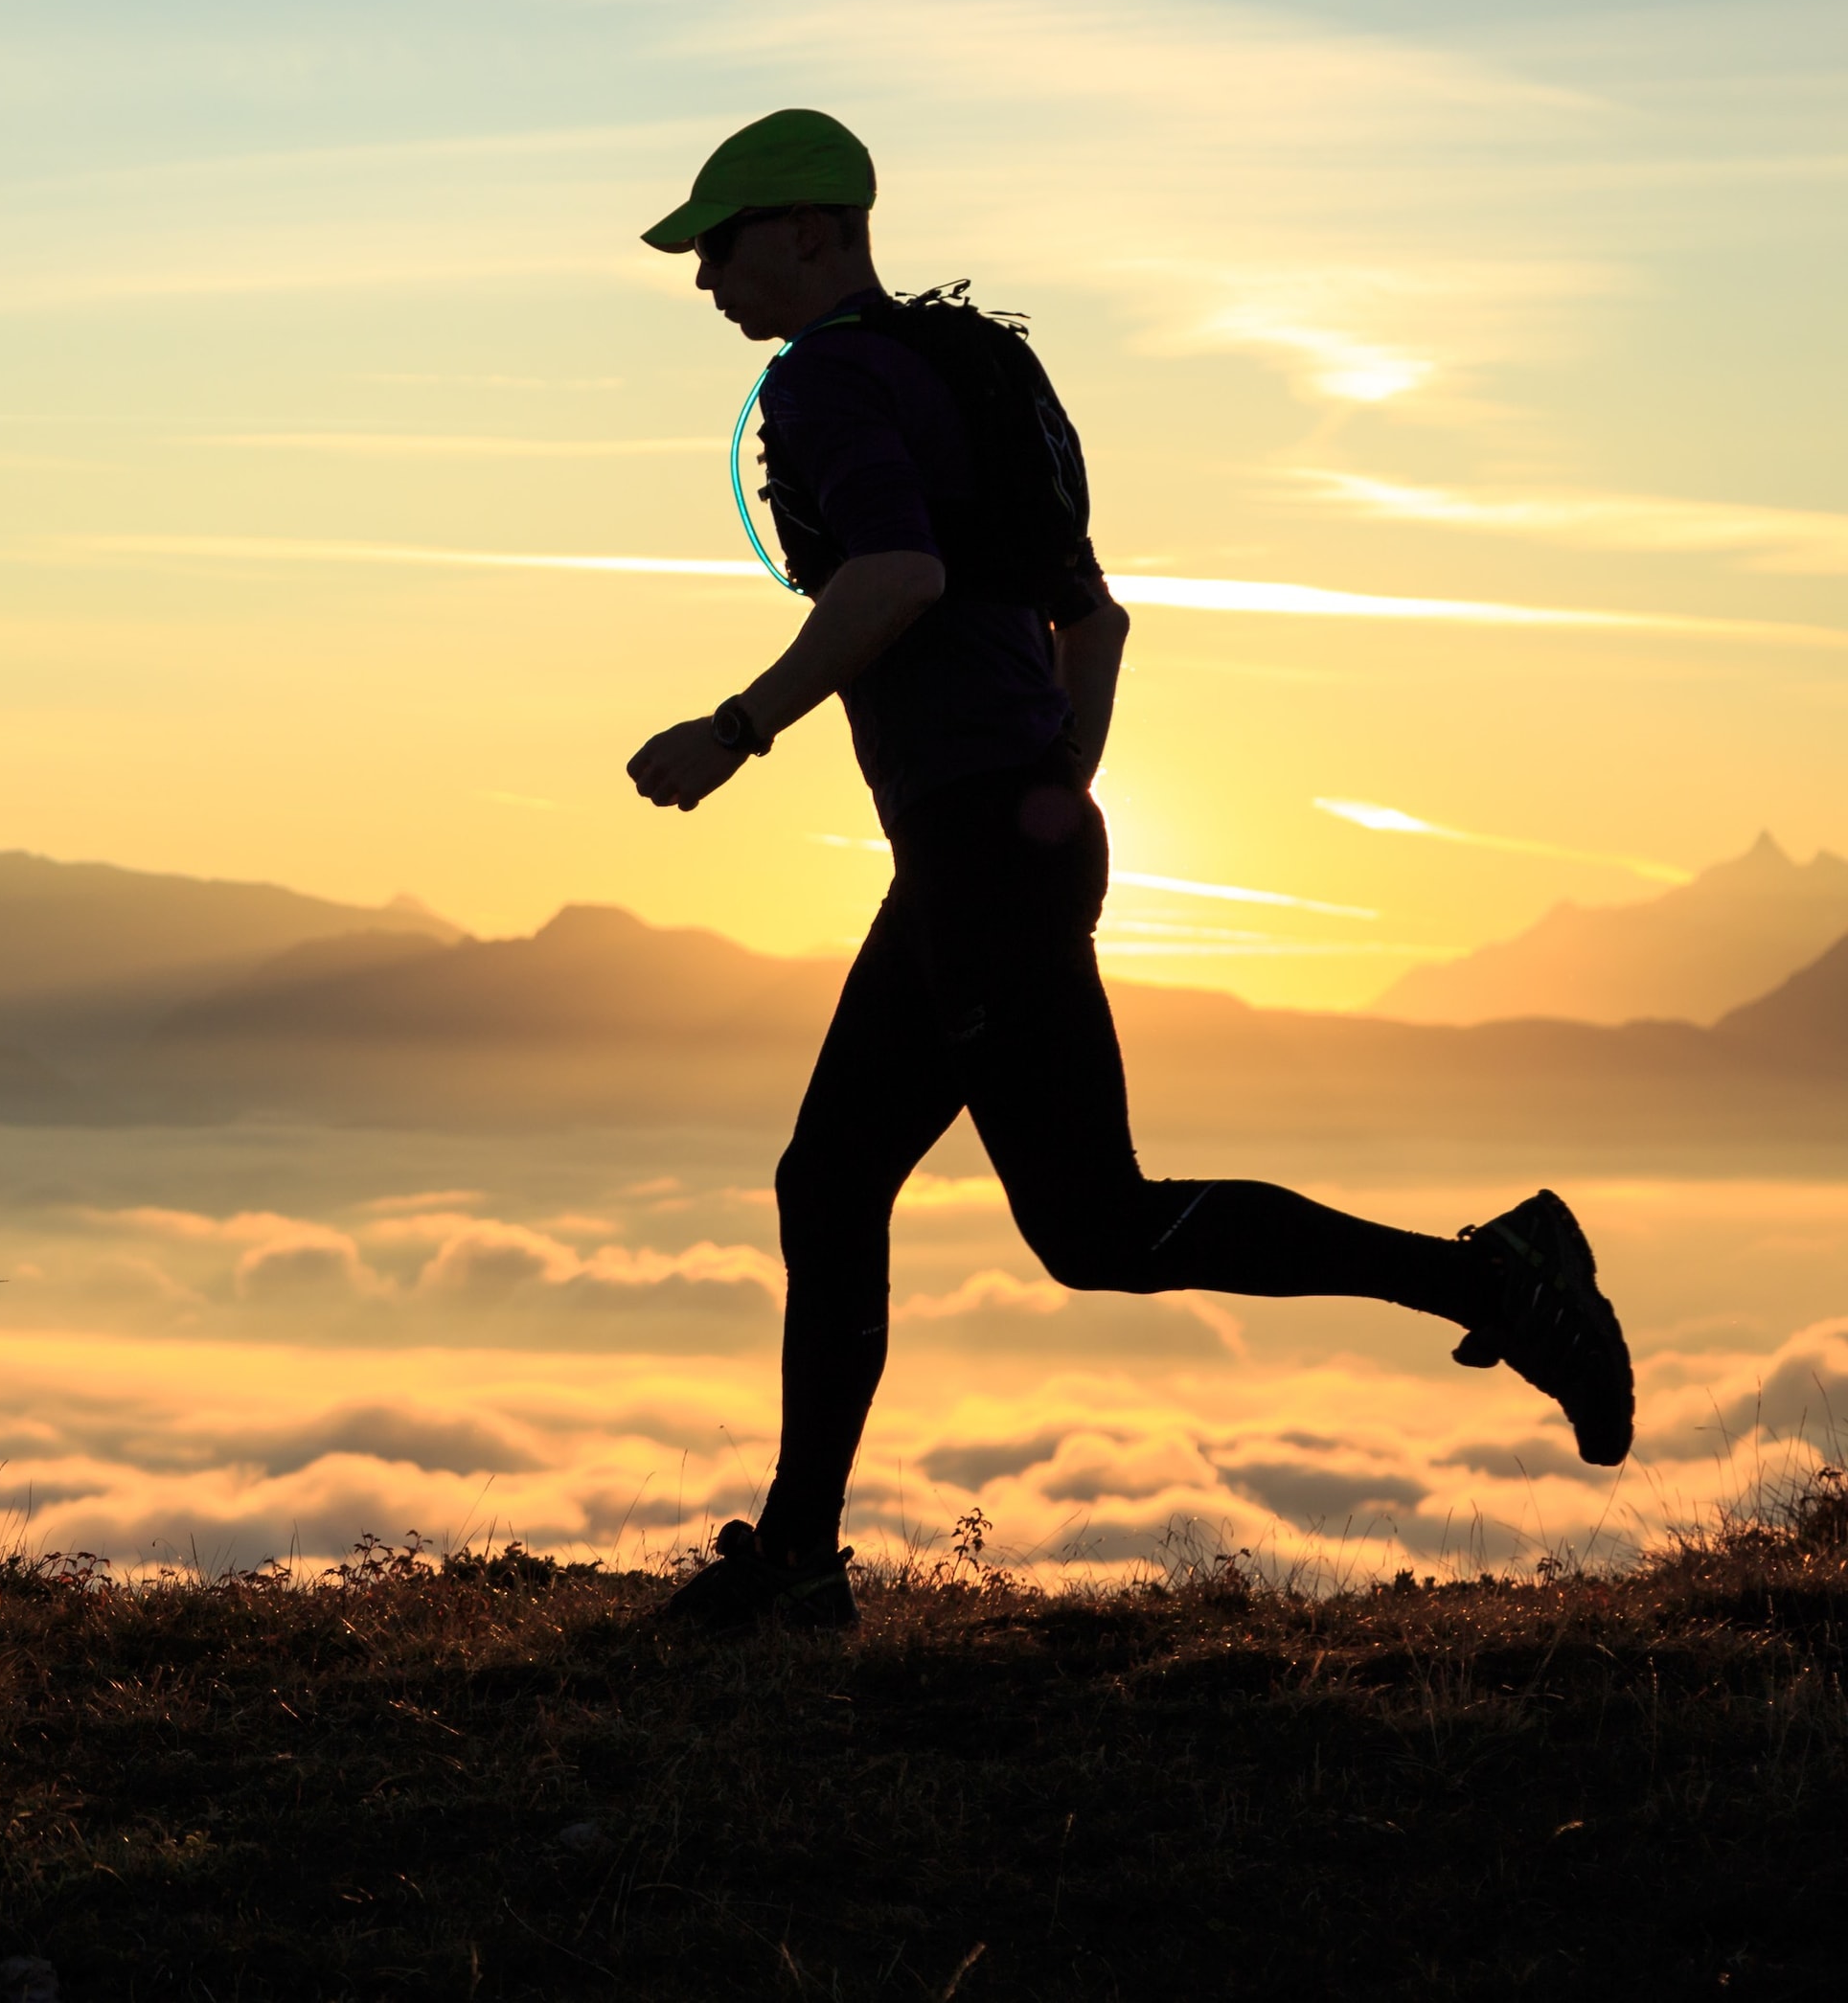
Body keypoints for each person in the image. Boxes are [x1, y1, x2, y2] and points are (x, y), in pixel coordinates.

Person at [621, 109, 1634, 1632]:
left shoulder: (829, 381)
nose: (704, 274)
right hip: (1006, 846)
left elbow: (897, 575)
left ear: (816, 231)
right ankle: (794, 1562)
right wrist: (1055, 792)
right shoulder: (972, 372)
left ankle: (1500, 1283)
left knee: (1093, 1229)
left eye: (725, 239)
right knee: (833, 1183)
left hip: (979, 859)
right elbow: (1094, 623)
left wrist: (736, 729)